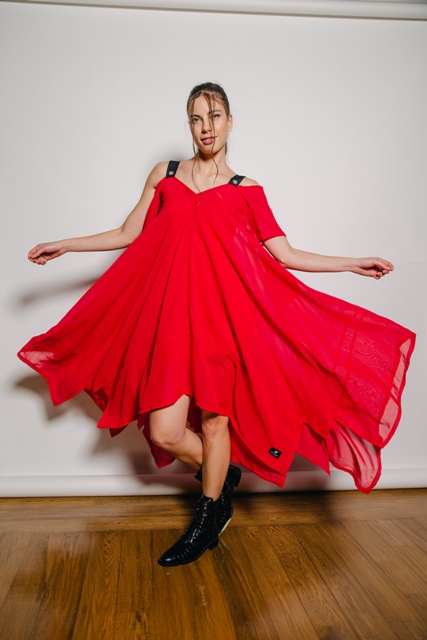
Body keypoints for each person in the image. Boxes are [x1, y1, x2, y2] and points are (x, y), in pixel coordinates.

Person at [18, 82, 415, 567]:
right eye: (196, 118)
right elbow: (127, 232)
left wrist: (352, 263)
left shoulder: (247, 191)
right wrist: (66, 244)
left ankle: (208, 520)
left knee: (214, 421)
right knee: (165, 430)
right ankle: (222, 475)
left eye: (214, 116)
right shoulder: (165, 175)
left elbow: (286, 255)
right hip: (170, 321)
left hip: (223, 323)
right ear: (189, 124)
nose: (206, 127)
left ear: (230, 122)